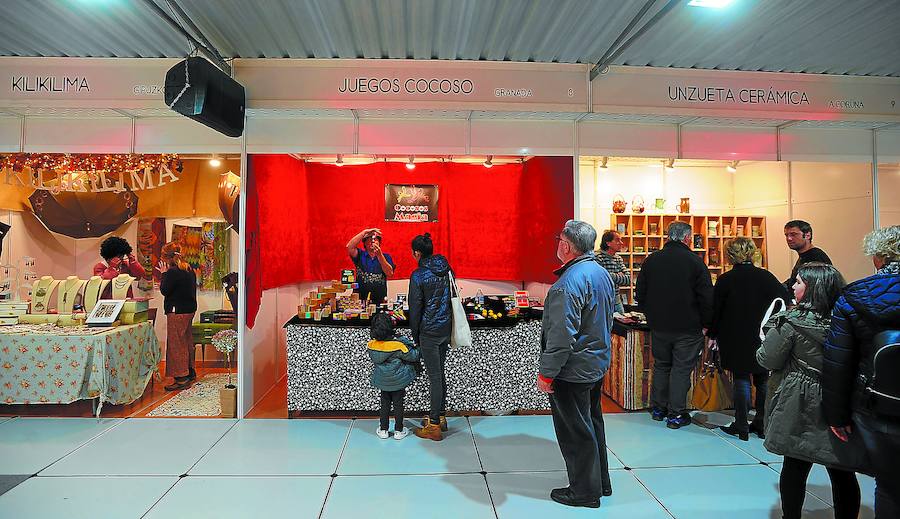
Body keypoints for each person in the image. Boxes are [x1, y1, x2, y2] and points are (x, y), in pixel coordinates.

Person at [757, 263, 862, 519]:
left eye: (799, 282)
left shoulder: (790, 323)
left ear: (813, 288)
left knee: (795, 465)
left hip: (799, 400)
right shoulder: (849, 322)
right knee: (842, 470)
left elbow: (767, 359)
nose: (793, 286)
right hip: (840, 400)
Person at [823, 225, 900, 518]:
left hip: (877, 405)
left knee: (889, 485)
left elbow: (838, 361)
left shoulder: (855, 296)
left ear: (878, 257)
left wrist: (836, 416)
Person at [537, 220, 615, 508]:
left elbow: (561, 336)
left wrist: (547, 373)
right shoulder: (601, 273)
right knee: (592, 424)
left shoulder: (568, 283)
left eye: (559, 239)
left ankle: (584, 492)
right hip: (594, 363)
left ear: (566, 246)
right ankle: (600, 483)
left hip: (573, 369)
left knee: (575, 432)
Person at [635, 221, 713, 429]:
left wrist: (650, 314)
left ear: (668, 236)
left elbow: (640, 292)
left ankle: (658, 409)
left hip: (659, 325)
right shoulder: (695, 262)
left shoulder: (652, 260)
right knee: (681, 369)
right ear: (687, 238)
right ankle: (676, 414)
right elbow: (706, 297)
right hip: (688, 327)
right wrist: (707, 323)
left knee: (661, 365)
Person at [708, 238, 787, 441]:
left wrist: (712, 334)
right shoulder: (766, 277)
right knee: (762, 379)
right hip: (762, 335)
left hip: (733, 336)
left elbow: (716, 312)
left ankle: (741, 425)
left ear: (730, 255)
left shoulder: (725, 280)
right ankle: (762, 423)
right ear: (752, 253)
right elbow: (784, 301)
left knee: (741, 378)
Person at [408, 233, 452, 441]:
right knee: (440, 373)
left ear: (417, 253)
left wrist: (415, 334)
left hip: (429, 331)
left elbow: (415, 308)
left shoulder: (418, 275)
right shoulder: (446, 268)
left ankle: (433, 425)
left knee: (434, 377)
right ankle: (441, 417)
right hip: (445, 328)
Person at [367, 312, 419, 441]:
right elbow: (414, 356)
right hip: (398, 381)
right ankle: (398, 430)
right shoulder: (397, 345)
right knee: (398, 405)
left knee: (384, 404)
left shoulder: (372, 345)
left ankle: (383, 429)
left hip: (383, 382)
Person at [159, 243, 198, 391]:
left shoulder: (172, 272)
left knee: (176, 344)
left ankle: (181, 377)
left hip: (177, 311)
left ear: (166, 258)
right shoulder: (189, 269)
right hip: (189, 310)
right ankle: (190, 371)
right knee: (187, 341)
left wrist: (163, 274)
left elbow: (164, 290)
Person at [346, 228, 395, 304]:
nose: (373, 241)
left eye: (375, 239)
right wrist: (364, 232)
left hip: (380, 300)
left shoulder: (386, 257)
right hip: (360, 301)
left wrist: (379, 255)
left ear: (379, 242)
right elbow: (349, 247)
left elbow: (390, 273)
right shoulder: (360, 255)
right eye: (369, 239)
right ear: (365, 243)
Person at [783, 220, 832, 293]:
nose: (789, 238)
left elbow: (816, 291)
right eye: (786, 235)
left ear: (807, 235)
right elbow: (793, 281)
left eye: (793, 234)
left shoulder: (816, 257)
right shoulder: (804, 255)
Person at [596, 230, 630, 314]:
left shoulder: (618, 258)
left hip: (616, 300)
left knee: (622, 321)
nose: (621, 243)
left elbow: (628, 279)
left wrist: (608, 275)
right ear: (608, 243)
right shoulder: (597, 257)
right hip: (602, 300)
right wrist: (618, 275)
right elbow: (600, 279)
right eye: (617, 240)